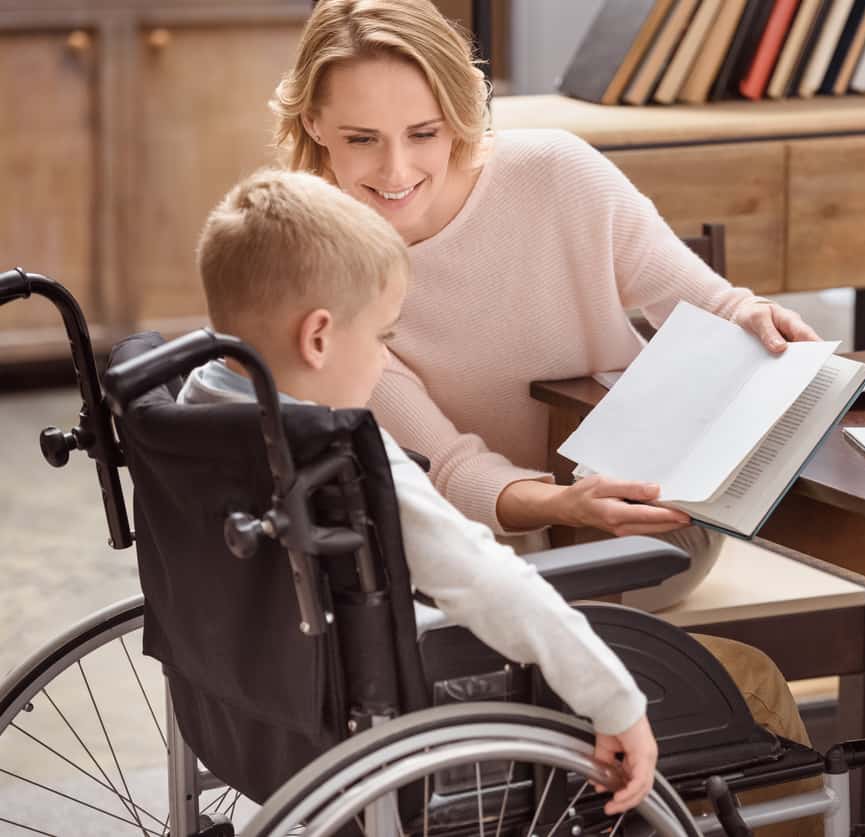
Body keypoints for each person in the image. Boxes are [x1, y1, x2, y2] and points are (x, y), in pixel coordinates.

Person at [272, 5, 821, 833]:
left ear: (461, 113)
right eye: (360, 140)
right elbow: (447, 469)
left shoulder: (555, 174)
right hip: (474, 540)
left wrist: (754, 319)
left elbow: (702, 300)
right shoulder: (320, 271)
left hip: (639, 511)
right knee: (718, 687)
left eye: (424, 132)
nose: (395, 169)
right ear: (313, 121)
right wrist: (558, 504)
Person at [180, 167, 656, 816]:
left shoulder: (189, 403)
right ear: (318, 337)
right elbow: (487, 582)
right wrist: (615, 700)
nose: (384, 360)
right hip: (356, 726)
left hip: (237, 695)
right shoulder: (340, 458)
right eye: (381, 337)